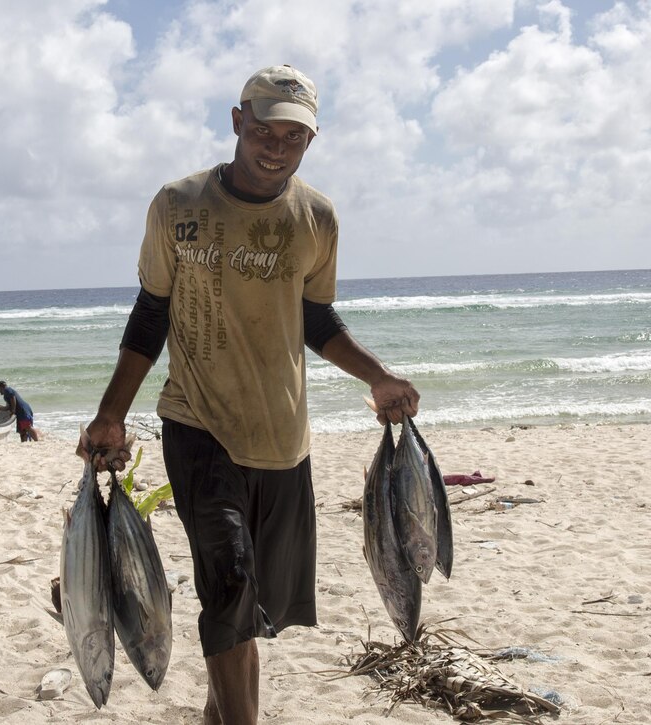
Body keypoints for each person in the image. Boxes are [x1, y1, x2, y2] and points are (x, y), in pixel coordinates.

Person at [82, 65, 420, 724]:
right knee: (229, 582)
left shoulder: (316, 217)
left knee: (250, 607)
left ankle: (221, 715)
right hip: (197, 424)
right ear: (237, 122)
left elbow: (315, 319)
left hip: (283, 440)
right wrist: (111, 414)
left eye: (292, 135)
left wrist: (377, 374)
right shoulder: (178, 206)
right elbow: (151, 313)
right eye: (263, 128)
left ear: (309, 142)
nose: (274, 144)